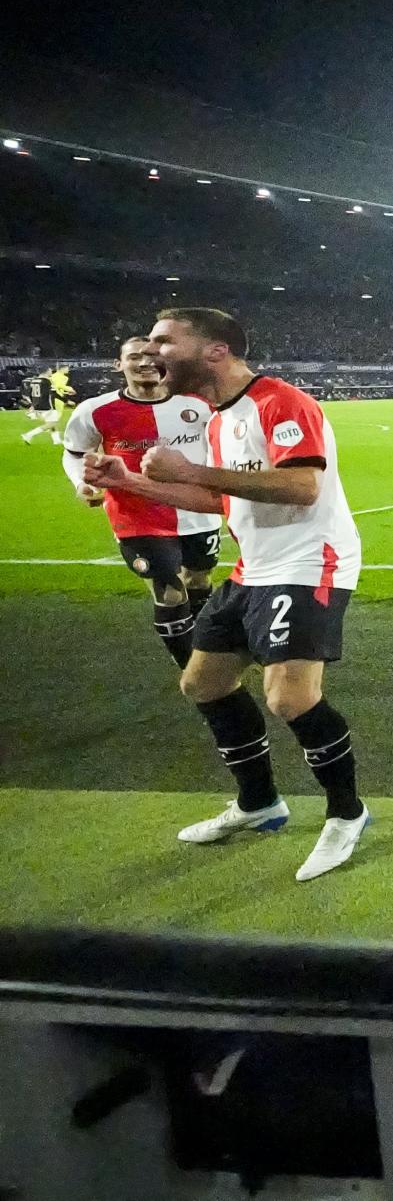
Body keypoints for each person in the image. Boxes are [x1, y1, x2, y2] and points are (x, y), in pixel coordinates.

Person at [83, 307, 370, 882]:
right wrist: (131, 482)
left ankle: (347, 812)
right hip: (254, 567)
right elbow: (227, 501)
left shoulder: (278, 401)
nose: (151, 351)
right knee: (203, 682)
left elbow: (302, 485)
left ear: (214, 350)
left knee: (289, 698)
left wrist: (189, 469)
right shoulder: (219, 419)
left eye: (165, 341)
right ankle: (260, 803)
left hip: (309, 562)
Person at [62, 336, 223, 668]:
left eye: (153, 356)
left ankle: (209, 651)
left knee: (199, 580)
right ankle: (194, 670)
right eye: (135, 357)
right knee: (170, 591)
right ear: (120, 365)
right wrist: (82, 482)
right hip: (137, 516)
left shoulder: (200, 403)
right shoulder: (95, 410)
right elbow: (75, 454)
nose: (146, 362)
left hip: (198, 510)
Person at [19, 367, 73, 445]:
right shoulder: (47, 381)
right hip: (47, 405)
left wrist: (33, 404)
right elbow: (54, 394)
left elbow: (30, 394)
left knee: (51, 422)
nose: (51, 372)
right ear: (47, 371)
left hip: (37, 405)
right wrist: (67, 401)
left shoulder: (34, 381)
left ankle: (56, 440)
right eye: (50, 371)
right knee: (52, 423)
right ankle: (28, 435)